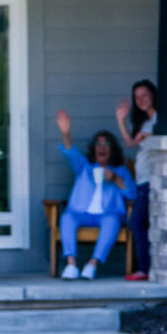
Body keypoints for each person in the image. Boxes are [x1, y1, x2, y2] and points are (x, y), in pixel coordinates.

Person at [55, 110, 136, 280]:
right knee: (67, 217)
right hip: (81, 213)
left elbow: (132, 194)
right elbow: (69, 150)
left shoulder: (121, 170)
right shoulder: (84, 166)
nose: (102, 147)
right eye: (98, 144)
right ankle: (71, 264)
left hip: (107, 214)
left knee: (111, 220)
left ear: (112, 149)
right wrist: (65, 132)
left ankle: (92, 264)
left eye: (106, 144)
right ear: (93, 148)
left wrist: (115, 179)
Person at [115, 79, 159, 281]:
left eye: (145, 95)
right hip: (142, 180)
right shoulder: (145, 122)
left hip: (153, 179)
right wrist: (120, 120)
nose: (141, 100)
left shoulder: (161, 119)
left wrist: (150, 133)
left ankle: (145, 269)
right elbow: (131, 143)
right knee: (143, 223)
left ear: (153, 96)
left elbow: (166, 135)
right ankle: (148, 268)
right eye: (137, 97)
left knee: (137, 222)